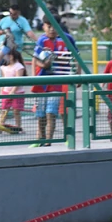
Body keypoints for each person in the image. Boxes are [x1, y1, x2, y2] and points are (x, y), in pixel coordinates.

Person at [31, 18, 68, 147]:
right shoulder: (41, 40)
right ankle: (40, 138)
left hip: (56, 82)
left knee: (51, 112)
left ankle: (48, 140)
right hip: (41, 82)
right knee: (40, 114)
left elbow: (72, 57)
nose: (52, 29)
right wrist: (43, 66)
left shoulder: (64, 40)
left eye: (55, 26)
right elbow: (35, 60)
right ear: (44, 27)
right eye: (49, 26)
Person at [0, 48, 27, 130]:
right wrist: (2, 89)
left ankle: (18, 126)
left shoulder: (19, 67)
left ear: (12, 56)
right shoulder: (3, 67)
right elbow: (3, 78)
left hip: (17, 92)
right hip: (6, 91)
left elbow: (18, 80)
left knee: (16, 110)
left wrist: (13, 91)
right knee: (4, 110)